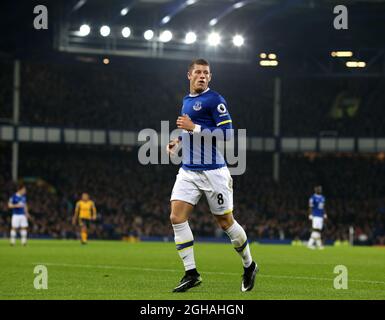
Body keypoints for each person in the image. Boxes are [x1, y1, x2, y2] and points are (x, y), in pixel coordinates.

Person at [167, 58, 258, 293]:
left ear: (210, 77)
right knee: (177, 217)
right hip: (188, 170)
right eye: (197, 72)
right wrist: (178, 140)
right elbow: (190, 130)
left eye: (206, 73)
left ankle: (249, 265)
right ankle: (191, 273)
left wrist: (193, 128)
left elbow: (227, 134)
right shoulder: (187, 100)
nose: (202, 76)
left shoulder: (215, 100)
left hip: (214, 172)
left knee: (225, 222)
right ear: (189, 75)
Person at [307, 185, 327, 249]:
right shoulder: (312, 197)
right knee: (315, 229)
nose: (320, 190)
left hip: (320, 216)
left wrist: (324, 214)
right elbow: (310, 207)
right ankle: (310, 244)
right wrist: (310, 214)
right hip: (315, 215)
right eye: (319, 189)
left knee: (318, 230)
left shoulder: (323, 198)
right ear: (316, 190)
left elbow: (323, 207)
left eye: (320, 189)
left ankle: (318, 244)